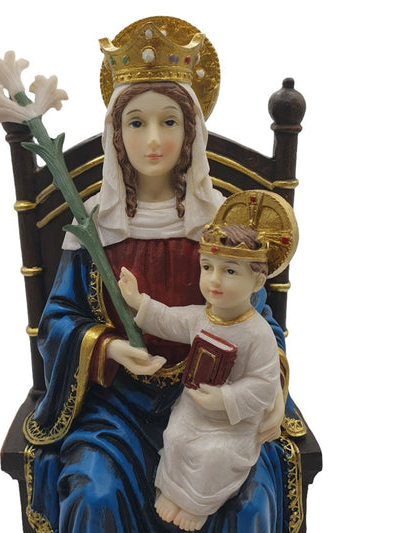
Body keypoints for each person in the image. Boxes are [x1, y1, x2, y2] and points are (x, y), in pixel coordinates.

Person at [22, 17, 300, 533]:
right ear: (116, 132)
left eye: (169, 122)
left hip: (214, 409)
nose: (153, 139)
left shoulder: (220, 223)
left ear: (191, 130)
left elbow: (260, 328)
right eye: (136, 123)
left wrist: (269, 389)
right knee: (95, 493)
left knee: (249, 503)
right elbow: (58, 320)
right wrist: (108, 348)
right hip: (116, 410)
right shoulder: (92, 226)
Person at [118, 223, 285, 531]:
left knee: (213, 455)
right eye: (207, 267)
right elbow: (168, 319)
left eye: (230, 271)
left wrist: (226, 398)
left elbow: (265, 383)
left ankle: (197, 505)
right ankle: (174, 494)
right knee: (176, 437)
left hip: (233, 423)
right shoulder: (201, 317)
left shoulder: (258, 333)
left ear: (258, 280)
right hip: (194, 408)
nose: (214, 280)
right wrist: (139, 301)